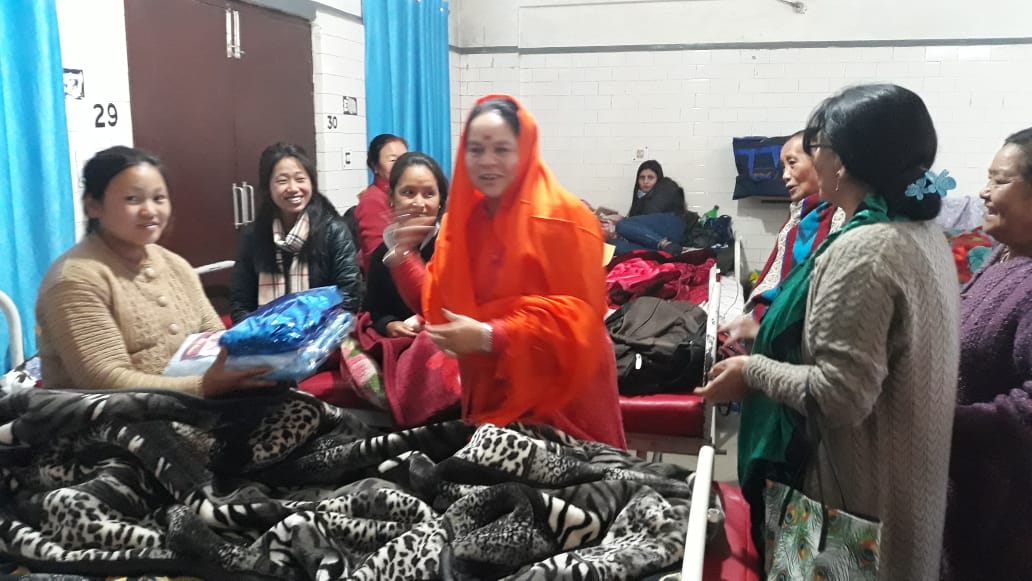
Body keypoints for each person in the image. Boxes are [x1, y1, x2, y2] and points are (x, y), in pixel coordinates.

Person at [697, 84, 959, 580]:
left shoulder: (866, 250)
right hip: (905, 490)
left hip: (855, 512)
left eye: (814, 146)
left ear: (841, 160)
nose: (809, 159)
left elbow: (840, 396)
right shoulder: (921, 234)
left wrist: (753, 372)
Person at [422, 95, 625, 448]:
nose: (487, 161)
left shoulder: (564, 219)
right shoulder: (461, 225)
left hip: (562, 398)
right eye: (476, 150)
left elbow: (582, 323)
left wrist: (490, 335)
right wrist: (401, 258)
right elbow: (443, 305)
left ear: (524, 149)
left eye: (501, 149)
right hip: (489, 390)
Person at [36, 146, 272, 396]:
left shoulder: (175, 265)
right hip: (111, 414)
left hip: (194, 404)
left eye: (158, 198)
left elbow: (215, 338)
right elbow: (103, 379)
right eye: (132, 199)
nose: (150, 211)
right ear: (93, 206)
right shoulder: (74, 280)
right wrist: (204, 386)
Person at [942, 127, 1032, 581]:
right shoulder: (1004, 256)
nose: (984, 191)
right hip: (968, 492)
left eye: (999, 180)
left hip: (1006, 516)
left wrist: (945, 422)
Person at [720, 131, 846, 352]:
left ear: (822, 162)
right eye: (783, 167)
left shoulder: (841, 218)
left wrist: (762, 332)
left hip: (792, 343)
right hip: (768, 331)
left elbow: (819, 302)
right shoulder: (799, 214)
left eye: (792, 163)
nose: (785, 176)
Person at [358, 151, 458, 427]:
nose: (419, 203)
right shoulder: (383, 254)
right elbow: (373, 309)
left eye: (429, 194)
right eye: (408, 193)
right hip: (400, 345)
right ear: (392, 199)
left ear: (441, 202)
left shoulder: (453, 246)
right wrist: (389, 324)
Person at [231, 143, 362, 322]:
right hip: (264, 333)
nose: (293, 188)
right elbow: (240, 302)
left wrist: (312, 333)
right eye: (282, 181)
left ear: (312, 183)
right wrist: (256, 333)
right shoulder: (253, 236)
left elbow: (349, 296)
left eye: (300, 179)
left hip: (321, 332)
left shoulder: (333, 231)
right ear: (267, 187)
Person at [599, 160, 692, 256]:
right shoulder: (640, 196)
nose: (645, 181)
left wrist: (622, 220)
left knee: (622, 225)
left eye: (650, 177)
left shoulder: (666, 186)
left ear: (658, 178)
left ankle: (665, 244)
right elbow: (640, 224)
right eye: (642, 178)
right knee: (613, 245)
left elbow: (650, 213)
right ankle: (662, 252)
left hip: (672, 226)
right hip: (654, 236)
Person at [355, 133, 408, 272]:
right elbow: (379, 258)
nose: (402, 166)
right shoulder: (371, 201)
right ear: (375, 167)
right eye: (393, 160)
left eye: (405, 159)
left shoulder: (407, 195)